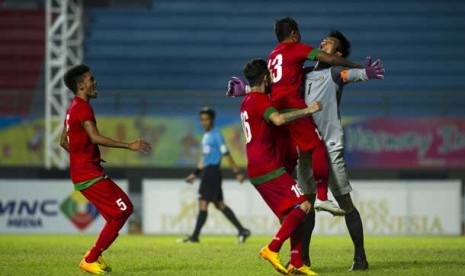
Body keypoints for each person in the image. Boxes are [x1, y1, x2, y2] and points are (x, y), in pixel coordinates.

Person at [297, 30, 383, 271]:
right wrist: (248, 89)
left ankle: (360, 258)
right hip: (305, 148)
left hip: (329, 146)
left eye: (330, 43)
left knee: (345, 202)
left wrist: (364, 73)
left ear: (338, 54)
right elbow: (276, 83)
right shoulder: (303, 74)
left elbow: (348, 74)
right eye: (324, 40)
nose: (323, 42)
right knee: (307, 203)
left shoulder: (333, 73)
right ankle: (302, 259)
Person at [268, 17, 367, 215]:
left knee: (294, 157)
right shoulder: (298, 51)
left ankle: (290, 194)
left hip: (280, 110)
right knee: (317, 147)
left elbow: (273, 80)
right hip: (293, 109)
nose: (322, 43)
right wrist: (359, 66)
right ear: (294, 33)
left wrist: (247, 89)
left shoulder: (274, 55)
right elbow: (330, 59)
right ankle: (322, 198)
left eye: (328, 42)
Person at [60, 64, 152, 274]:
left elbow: (63, 142)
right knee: (124, 210)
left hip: (84, 171)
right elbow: (94, 137)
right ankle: (90, 258)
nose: (95, 82)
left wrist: (85, 157)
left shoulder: (72, 107)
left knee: (115, 216)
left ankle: (95, 256)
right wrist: (129, 145)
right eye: (91, 79)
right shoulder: (83, 108)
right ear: (81, 85)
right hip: (88, 173)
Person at [241, 58, 323, 275]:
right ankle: (272, 248)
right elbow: (277, 120)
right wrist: (308, 110)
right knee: (304, 206)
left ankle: (296, 262)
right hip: (268, 166)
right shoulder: (259, 100)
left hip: (256, 167)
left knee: (291, 216)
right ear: (266, 78)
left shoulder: (247, 100)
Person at [180, 107, 251, 243]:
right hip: (207, 172)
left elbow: (226, 153)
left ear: (211, 120)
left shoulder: (216, 134)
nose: (203, 122)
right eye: (201, 120)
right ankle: (242, 230)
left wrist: (236, 172)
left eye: (206, 119)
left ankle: (194, 237)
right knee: (220, 205)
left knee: (203, 202)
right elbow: (204, 158)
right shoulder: (206, 136)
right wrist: (195, 174)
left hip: (212, 172)